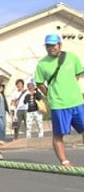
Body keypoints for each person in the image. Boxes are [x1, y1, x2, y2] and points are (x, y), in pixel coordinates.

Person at [34, 33, 84, 167]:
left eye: (53, 45)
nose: (51, 48)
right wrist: (49, 94)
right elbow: (39, 83)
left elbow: (78, 74)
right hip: (58, 105)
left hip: (77, 102)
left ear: (60, 45)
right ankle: (64, 161)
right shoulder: (42, 64)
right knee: (58, 134)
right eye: (48, 46)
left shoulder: (72, 57)